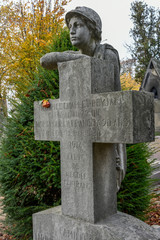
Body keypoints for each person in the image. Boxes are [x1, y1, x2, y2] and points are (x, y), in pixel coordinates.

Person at [40, 6, 126, 191]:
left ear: (92, 29)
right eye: (70, 25)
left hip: (106, 125)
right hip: (81, 126)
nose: (72, 30)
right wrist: (75, 59)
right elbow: (45, 61)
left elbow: (116, 99)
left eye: (78, 25)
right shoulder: (72, 56)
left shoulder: (107, 54)